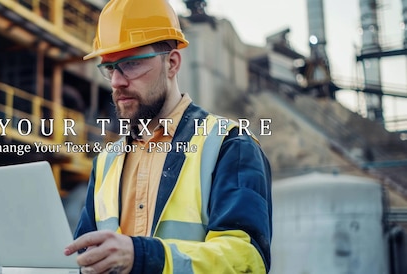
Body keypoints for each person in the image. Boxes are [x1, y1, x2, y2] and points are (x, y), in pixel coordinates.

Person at [63, 0, 272, 273]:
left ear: (172, 63)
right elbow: (88, 256)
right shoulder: (106, 162)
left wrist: (145, 257)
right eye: (110, 68)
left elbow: (247, 260)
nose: (116, 82)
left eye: (131, 64)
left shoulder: (229, 145)